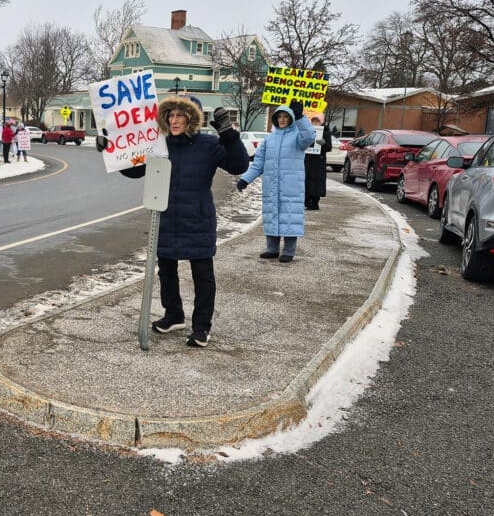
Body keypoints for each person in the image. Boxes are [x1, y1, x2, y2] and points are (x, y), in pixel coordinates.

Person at [97, 95, 248, 347]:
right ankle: (174, 315)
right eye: (171, 115)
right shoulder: (158, 145)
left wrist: (228, 134)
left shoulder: (209, 145)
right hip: (165, 217)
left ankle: (201, 327)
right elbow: (134, 170)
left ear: (192, 118)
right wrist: (112, 148)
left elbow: (238, 164)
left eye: (180, 115)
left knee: (202, 274)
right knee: (166, 269)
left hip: (197, 219)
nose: (174, 120)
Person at [236, 101, 316, 263]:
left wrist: (301, 118)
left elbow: (309, 137)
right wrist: (245, 179)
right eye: (279, 116)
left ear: (291, 118)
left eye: (286, 116)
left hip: (291, 187)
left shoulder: (298, 138)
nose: (282, 119)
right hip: (271, 185)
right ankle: (272, 249)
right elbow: (258, 163)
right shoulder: (269, 139)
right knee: (272, 215)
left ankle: (288, 250)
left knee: (289, 217)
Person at [304, 115, 332, 210]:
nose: (315, 123)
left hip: (318, 161)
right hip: (307, 159)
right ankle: (307, 201)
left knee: (316, 181)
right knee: (306, 179)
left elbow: (329, 147)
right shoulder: (307, 130)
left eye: (317, 121)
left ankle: (315, 202)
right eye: (313, 121)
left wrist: (323, 143)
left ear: (321, 122)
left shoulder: (326, 132)